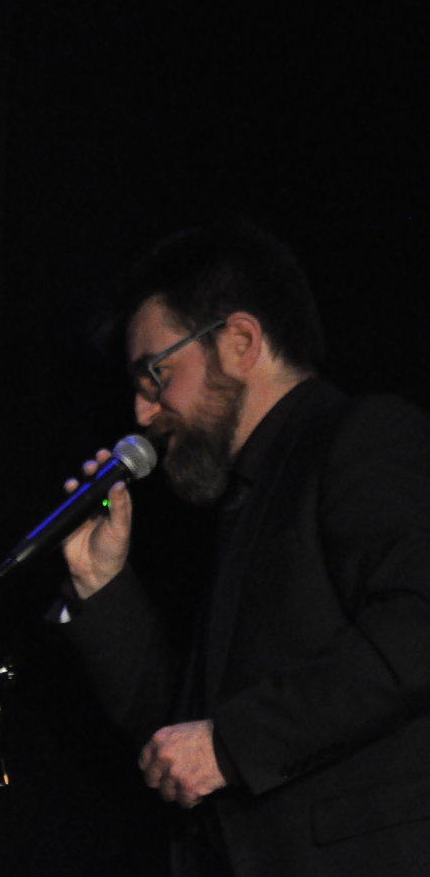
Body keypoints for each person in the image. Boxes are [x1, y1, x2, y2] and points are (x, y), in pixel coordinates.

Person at [55, 221, 430, 876]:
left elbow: (417, 623)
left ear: (238, 342)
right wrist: (100, 583)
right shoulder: (239, 502)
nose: (142, 413)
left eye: (155, 375)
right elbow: (177, 737)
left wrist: (231, 744)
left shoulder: (362, 436)